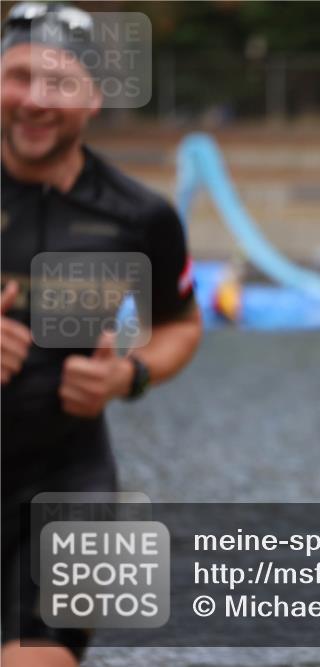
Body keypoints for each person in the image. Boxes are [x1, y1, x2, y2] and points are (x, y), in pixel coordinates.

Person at [1, 5, 202, 666]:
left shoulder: (140, 217)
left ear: (93, 97)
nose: (35, 99)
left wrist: (129, 374)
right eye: (19, 76)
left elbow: (180, 324)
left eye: (58, 82)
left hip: (69, 479)